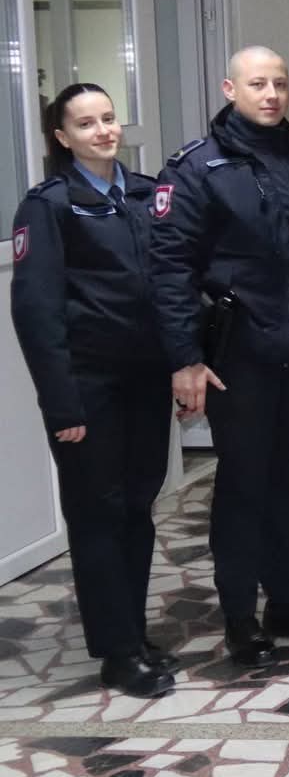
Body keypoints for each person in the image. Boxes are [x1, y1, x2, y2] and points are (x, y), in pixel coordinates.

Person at [152, 46, 289, 668]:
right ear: (229, 89)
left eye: (280, 84)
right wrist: (185, 356)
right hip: (242, 357)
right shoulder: (198, 168)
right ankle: (240, 616)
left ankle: (287, 601)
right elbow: (170, 269)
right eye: (258, 84)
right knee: (243, 486)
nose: (271, 95)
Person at [11, 84, 177, 697]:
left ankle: (133, 633)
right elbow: (36, 312)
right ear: (62, 137)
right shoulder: (49, 206)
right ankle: (116, 652)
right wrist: (62, 404)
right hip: (87, 388)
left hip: (144, 380)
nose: (103, 131)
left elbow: (170, 282)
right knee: (98, 514)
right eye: (86, 124)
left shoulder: (145, 195)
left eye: (108, 119)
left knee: (137, 505)